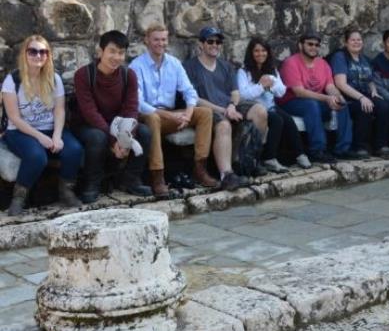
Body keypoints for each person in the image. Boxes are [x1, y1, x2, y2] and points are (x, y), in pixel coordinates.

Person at [130, 23, 218, 196]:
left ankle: (200, 169)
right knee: (153, 118)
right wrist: (170, 115)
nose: (160, 43)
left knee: (205, 113)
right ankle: (158, 177)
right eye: (156, 39)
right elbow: (138, 102)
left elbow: (189, 92)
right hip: (147, 116)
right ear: (146, 41)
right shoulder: (136, 66)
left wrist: (188, 113)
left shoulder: (174, 63)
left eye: (163, 39)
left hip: (171, 115)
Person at [2, 35, 84, 215]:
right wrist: (40, 137)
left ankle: (66, 191)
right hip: (19, 131)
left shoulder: (54, 79)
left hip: (49, 127)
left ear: (48, 55)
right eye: (33, 51)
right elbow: (14, 118)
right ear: (25, 54)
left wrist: (56, 135)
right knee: (37, 157)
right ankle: (19, 197)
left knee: (74, 149)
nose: (38, 55)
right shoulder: (13, 80)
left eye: (43, 52)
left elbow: (59, 111)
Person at [73, 31, 152, 203]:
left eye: (121, 53)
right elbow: (90, 113)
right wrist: (113, 140)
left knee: (145, 132)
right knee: (97, 136)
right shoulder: (83, 75)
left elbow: (131, 109)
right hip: (88, 125)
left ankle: (130, 179)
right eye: (112, 51)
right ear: (100, 52)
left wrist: (124, 137)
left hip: (118, 125)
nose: (116, 57)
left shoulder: (128, 75)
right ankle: (91, 183)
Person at [183, 27, 258, 188]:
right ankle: (227, 174)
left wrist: (231, 106)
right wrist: (224, 110)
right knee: (224, 125)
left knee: (260, 111)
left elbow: (235, 92)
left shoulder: (226, 66)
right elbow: (194, 99)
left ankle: (250, 162)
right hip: (208, 108)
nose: (215, 45)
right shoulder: (189, 67)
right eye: (210, 41)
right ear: (201, 44)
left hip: (228, 105)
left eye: (218, 42)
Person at [238, 37, 311, 172]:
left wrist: (271, 86)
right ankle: (269, 158)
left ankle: (300, 154)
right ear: (251, 53)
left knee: (288, 120)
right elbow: (243, 95)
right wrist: (261, 86)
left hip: (270, 106)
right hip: (253, 109)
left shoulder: (272, 69)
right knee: (277, 120)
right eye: (257, 51)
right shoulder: (243, 72)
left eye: (263, 50)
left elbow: (281, 91)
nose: (260, 54)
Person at [279, 33, 354, 163]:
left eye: (316, 45)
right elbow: (299, 92)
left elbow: (330, 86)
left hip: (316, 101)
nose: (313, 47)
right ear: (300, 45)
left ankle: (342, 149)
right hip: (291, 102)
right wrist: (326, 98)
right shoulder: (290, 63)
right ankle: (317, 150)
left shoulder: (323, 64)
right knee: (311, 105)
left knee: (342, 103)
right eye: (310, 44)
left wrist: (337, 96)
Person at [331, 29, 389, 158]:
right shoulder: (340, 57)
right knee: (363, 108)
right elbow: (341, 84)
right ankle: (360, 147)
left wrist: (374, 91)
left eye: (359, 40)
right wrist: (362, 97)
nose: (356, 42)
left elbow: (369, 80)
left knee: (384, 106)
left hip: (365, 94)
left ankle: (380, 145)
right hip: (348, 97)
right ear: (346, 42)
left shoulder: (364, 59)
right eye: (353, 40)